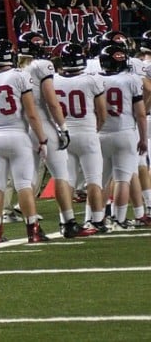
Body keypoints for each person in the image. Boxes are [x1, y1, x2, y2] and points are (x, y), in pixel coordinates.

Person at [0, 39, 50, 243]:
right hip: (17, 135)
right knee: (23, 185)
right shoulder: (19, 76)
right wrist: (42, 139)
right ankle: (33, 231)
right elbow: (32, 114)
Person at [17, 32, 84, 237]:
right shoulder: (42, 66)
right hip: (42, 124)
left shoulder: (16, 69)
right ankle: (68, 222)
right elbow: (51, 101)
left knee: (26, 180)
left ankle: (32, 228)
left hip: (22, 127)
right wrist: (62, 127)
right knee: (60, 174)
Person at [54, 42, 109, 233]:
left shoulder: (54, 80)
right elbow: (103, 113)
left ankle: (66, 221)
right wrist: (95, 129)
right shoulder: (92, 80)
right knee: (94, 179)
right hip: (87, 133)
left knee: (66, 180)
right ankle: (97, 220)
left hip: (64, 134)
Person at [98, 44, 148, 228]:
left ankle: (96, 219)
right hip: (125, 131)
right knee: (122, 179)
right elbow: (141, 114)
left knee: (100, 179)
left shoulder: (93, 79)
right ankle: (119, 219)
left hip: (101, 133)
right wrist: (142, 138)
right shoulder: (131, 79)